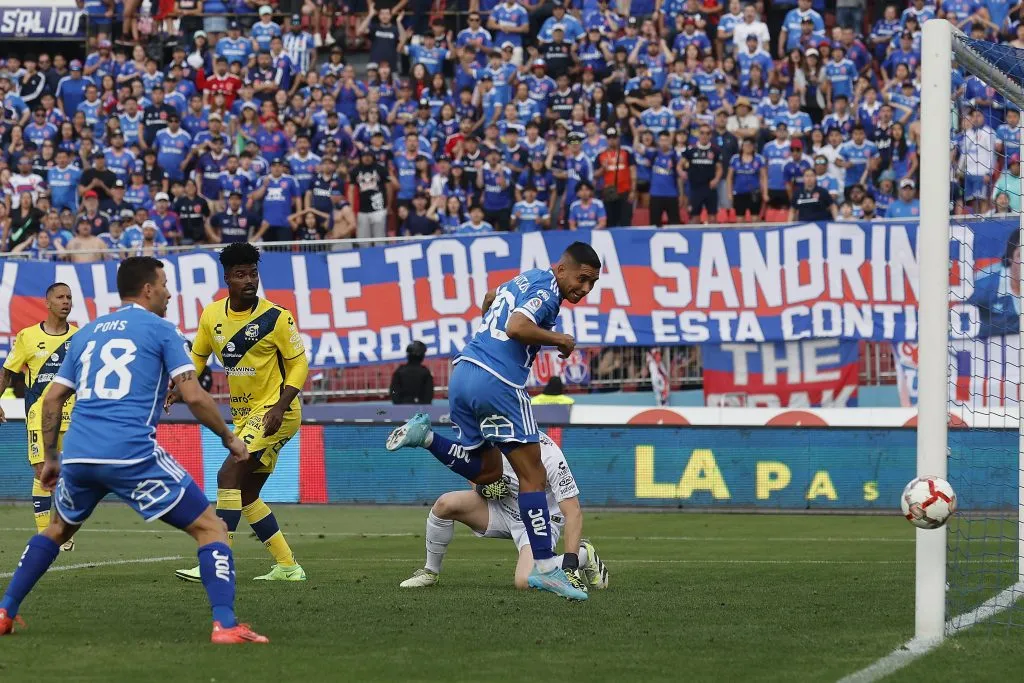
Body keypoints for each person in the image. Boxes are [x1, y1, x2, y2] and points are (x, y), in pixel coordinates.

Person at [0, 257, 267, 644]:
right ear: (148, 289)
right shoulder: (162, 330)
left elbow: (54, 398)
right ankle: (225, 625)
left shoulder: (87, 333)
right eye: (164, 284)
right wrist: (229, 438)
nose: (169, 292)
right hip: (130, 452)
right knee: (212, 528)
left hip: (80, 454)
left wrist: (55, 458)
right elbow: (192, 394)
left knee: (57, 529)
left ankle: (5, 610)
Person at [386, 241, 602, 601]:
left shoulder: (525, 278)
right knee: (533, 475)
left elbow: (489, 298)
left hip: (463, 373)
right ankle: (549, 571)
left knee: (486, 471)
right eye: (582, 279)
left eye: (592, 283)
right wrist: (558, 339)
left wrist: (489, 331)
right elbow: (518, 327)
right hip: (499, 381)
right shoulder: (548, 290)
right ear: (561, 269)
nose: (584, 288)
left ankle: (426, 438)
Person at [171, 243, 309, 584]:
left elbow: (299, 365)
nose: (249, 280)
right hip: (246, 416)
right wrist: (180, 385)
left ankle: (217, 563)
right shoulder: (212, 315)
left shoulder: (276, 317)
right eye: (241, 275)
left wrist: (279, 405)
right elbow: (199, 357)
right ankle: (289, 567)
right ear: (227, 278)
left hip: (277, 411)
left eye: (253, 273)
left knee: (228, 475)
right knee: (246, 494)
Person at [399, 431, 606, 593]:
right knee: (444, 505)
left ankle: (583, 554)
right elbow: (471, 472)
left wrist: (571, 564)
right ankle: (430, 572)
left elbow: (573, 512)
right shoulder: (489, 439)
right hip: (501, 509)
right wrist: (481, 488)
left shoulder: (550, 456)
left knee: (523, 581)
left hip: (538, 521)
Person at [0, 283, 78, 549]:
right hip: (38, 416)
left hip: (72, 416)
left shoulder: (79, 337)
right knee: (41, 471)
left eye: (69, 297)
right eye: (60, 297)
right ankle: (46, 535)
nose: (66, 301)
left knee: (71, 474)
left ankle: (64, 524)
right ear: (47, 303)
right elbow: (7, 371)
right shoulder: (27, 337)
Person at [389, 341, 435, 405]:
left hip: (401, 409)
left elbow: (393, 392)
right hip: (420, 410)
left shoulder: (399, 371)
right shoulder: (425, 373)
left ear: (408, 355)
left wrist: (399, 404)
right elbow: (428, 395)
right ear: (422, 355)